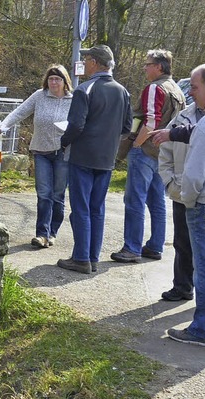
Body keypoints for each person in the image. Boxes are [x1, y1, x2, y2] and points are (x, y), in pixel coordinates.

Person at [56, 45, 132, 274]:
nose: (85, 63)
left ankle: (80, 258)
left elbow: (76, 124)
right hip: (107, 157)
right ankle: (92, 257)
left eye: (87, 59)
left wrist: (63, 142)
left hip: (83, 156)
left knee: (81, 208)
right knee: (97, 209)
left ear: (96, 63)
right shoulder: (123, 91)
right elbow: (127, 127)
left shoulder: (85, 90)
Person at [111, 49, 186, 264]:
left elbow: (151, 121)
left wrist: (136, 144)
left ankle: (132, 248)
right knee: (157, 201)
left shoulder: (155, 88)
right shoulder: (177, 89)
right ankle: (155, 246)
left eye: (148, 63)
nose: (144, 67)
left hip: (146, 151)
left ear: (159, 67)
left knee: (135, 200)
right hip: (162, 154)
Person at [167, 63, 205, 347]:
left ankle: (203, 330)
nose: (190, 92)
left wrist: (187, 200)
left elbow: (193, 174)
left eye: (195, 86)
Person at [0, 64, 73, 247]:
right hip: (41, 151)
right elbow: (20, 111)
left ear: (65, 82)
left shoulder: (74, 99)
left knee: (57, 195)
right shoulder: (39, 96)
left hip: (64, 153)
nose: (54, 82)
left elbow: (82, 121)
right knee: (44, 193)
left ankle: (52, 232)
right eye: (51, 79)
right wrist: (4, 125)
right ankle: (41, 234)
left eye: (58, 79)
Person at [155, 102, 204, 301]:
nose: (189, 92)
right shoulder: (184, 115)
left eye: (194, 86)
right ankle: (183, 286)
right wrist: (169, 181)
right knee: (182, 242)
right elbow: (165, 147)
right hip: (183, 190)